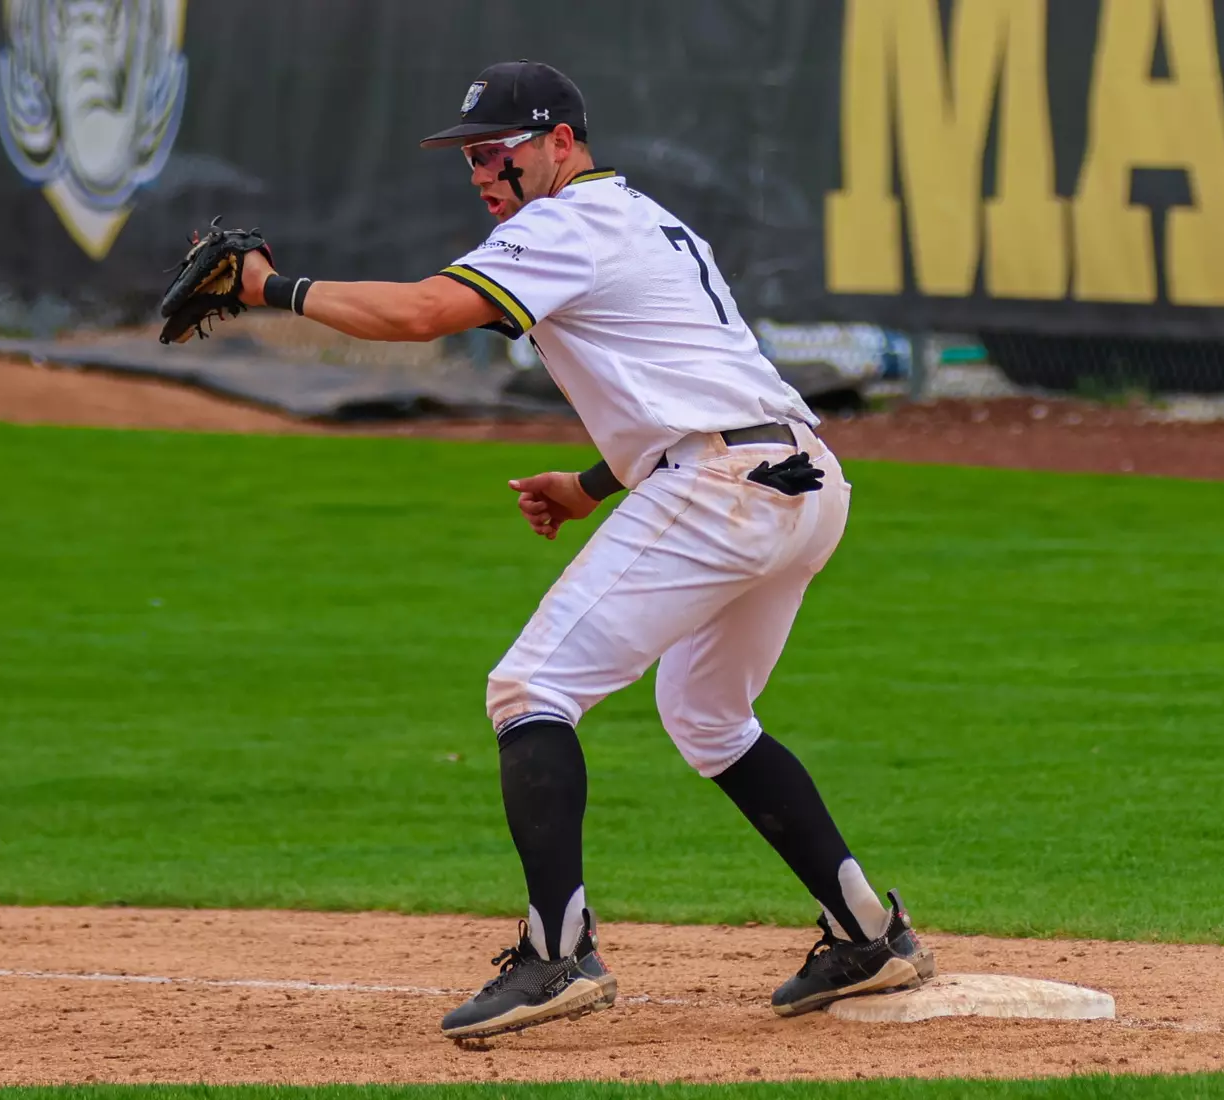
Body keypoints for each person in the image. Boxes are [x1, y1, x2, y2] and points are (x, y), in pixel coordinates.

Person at [236, 59, 934, 1040]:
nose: (484, 171)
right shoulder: (642, 216)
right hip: (805, 479)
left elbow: (420, 315)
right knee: (706, 713)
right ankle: (870, 930)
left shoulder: (559, 225)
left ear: (562, 141)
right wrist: (591, 484)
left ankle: (557, 952)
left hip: (725, 488)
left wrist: (270, 284)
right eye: (472, 156)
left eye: (500, 149)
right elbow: (693, 376)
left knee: (528, 690)